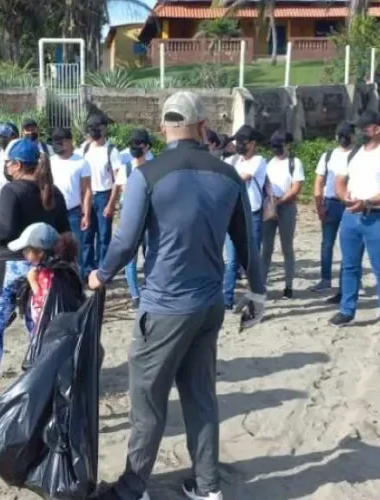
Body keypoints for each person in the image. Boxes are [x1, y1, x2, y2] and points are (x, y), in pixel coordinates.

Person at [89, 91, 266, 500]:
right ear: (203, 127)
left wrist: (99, 275)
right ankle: (208, 488)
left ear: (163, 129)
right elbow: (247, 243)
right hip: (208, 307)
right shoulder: (227, 175)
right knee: (200, 396)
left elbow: (125, 243)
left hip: (165, 307)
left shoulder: (147, 175)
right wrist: (258, 296)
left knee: (147, 399)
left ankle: (133, 488)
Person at [0, 140, 70, 412]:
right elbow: (65, 235)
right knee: (37, 329)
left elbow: (4, 231)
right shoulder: (54, 192)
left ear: (16, 164)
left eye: (8, 162)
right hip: (42, 269)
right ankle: (41, 387)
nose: (6, 167)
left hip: (11, 265)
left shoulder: (11, 191)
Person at [328, 110, 380, 336]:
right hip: (351, 217)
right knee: (349, 266)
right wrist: (345, 198)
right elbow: (340, 182)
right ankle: (347, 310)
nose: (360, 131)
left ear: (378, 129)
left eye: (365, 127)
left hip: (378, 218)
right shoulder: (354, 154)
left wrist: (369, 202)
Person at [222, 124, 268, 309]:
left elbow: (244, 177)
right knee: (232, 260)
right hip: (233, 216)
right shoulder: (233, 161)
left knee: (251, 261)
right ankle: (227, 299)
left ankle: (254, 298)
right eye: (237, 141)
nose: (239, 145)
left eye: (243, 142)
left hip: (252, 216)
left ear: (253, 143)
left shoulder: (259, 161)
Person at [312, 122, 356, 299]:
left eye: (347, 134)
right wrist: (319, 205)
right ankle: (325, 279)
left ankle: (347, 282)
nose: (344, 138)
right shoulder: (328, 156)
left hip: (350, 204)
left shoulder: (359, 155)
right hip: (330, 203)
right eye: (342, 134)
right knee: (327, 243)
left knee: (349, 245)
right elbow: (319, 181)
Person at [260, 131, 305, 299]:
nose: (277, 149)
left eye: (280, 146)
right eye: (274, 146)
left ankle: (288, 285)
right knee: (266, 249)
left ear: (287, 145)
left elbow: (296, 188)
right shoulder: (267, 163)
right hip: (269, 207)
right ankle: (262, 285)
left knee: (287, 248)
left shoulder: (294, 163)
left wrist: (279, 201)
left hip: (286, 207)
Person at [114, 128, 154, 309]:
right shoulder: (126, 167)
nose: (135, 147)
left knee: (150, 255)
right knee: (131, 258)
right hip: (133, 217)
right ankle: (136, 295)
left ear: (146, 146)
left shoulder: (156, 164)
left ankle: (148, 289)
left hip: (149, 217)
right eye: (133, 144)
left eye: (138, 144)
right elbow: (125, 192)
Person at [79, 114, 123, 275]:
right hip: (87, 197)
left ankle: (103, 270)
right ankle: (87, 270)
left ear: (104, 129)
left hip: (104, 195)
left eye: (97, 128)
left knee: (104, 236)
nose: (94, 131)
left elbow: (118, 178)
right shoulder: (84, 148)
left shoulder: (111, 151)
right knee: (87, 235)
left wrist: (112, 203)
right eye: (91, 128)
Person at [20, 224, 79, 330]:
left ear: (40, 252)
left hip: (50, 333)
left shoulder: (46, 275)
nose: (24, 252)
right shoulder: (65, 268)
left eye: (27, 249)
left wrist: (33, 282)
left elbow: (43, 308)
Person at [49, 127, 91, 264]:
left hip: (73, 212)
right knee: (52, 247)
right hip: (53, 211)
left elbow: (87, 190)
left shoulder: (81, 162)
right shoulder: (49, 161)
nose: (57, 145)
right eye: (54, 142)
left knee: (75, 248)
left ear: (69, 142)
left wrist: (86, 214)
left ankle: (77, 278)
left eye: (60, 142)